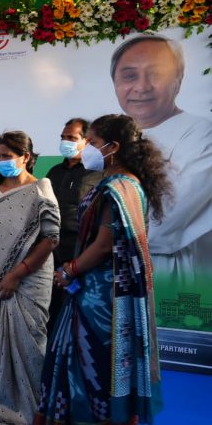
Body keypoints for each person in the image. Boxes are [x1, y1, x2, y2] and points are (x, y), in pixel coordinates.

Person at [36, 114, 168, 424]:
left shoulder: (118, 187)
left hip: (100, 295)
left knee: (91, 365)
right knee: (96, 363)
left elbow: (104, 244)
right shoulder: (127, 184)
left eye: (93, 143)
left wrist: (70, 270)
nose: (88, 149)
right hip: (106, 289)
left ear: (113, 147)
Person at [0, 131, 60, 425]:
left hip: (29, 280)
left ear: (26, 157)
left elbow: (50, 239)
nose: (1, 161)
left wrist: (17, 275)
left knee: (28, 345)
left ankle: (28, 411)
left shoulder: (41, 189)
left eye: (7, 156)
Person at [111, 34, 212, 289]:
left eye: (155, 74)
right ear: (115, 82)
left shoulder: (202, 134)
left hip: (174, 273)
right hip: (116, 270)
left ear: (179, 79)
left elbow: (165, 219)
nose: (142, 87)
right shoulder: (114, 138)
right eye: (129, 76)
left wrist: (101, 238)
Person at [44, 118, 102, 333]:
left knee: (79, 319)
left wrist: (78, 261)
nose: (65, 141)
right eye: (63, 137)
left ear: (86, 141)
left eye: (71, 137)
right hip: (51, 253)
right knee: (51, 315)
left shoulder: (96, 174)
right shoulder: (54, 172)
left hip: (81, 255)